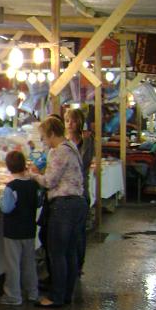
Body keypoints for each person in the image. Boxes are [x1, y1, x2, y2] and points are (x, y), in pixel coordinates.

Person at [30, 116, 87, 308]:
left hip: (64, 206)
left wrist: (33, 175)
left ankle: (56, 296)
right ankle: (66, 293)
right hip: (77, 203)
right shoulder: (71, 147)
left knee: (57, 253)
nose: (44, 141)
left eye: (44, 137)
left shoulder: (59, 151)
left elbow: (49, 181)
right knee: (69, 252)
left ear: (52, 134)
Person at [0, 150, 41, 306]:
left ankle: (13, 295)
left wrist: (0, 201)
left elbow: (6, 208)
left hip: (13, 231)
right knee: (29, 263)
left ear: (9, 167)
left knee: (13, 264)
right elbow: (38, 202)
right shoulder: (33, 184)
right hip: (29, 229)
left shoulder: (11, 187)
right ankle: (33, 292)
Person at [65, 108, 94, 272]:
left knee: (79, 231)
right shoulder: (64, 142)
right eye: (68, 121)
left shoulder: (86, 141)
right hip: (67, 191)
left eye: (74, 121)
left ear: (80, 123)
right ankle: (70, 265)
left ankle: (78, 265)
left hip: (81, 191)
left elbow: (82, 163)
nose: (70, 124)